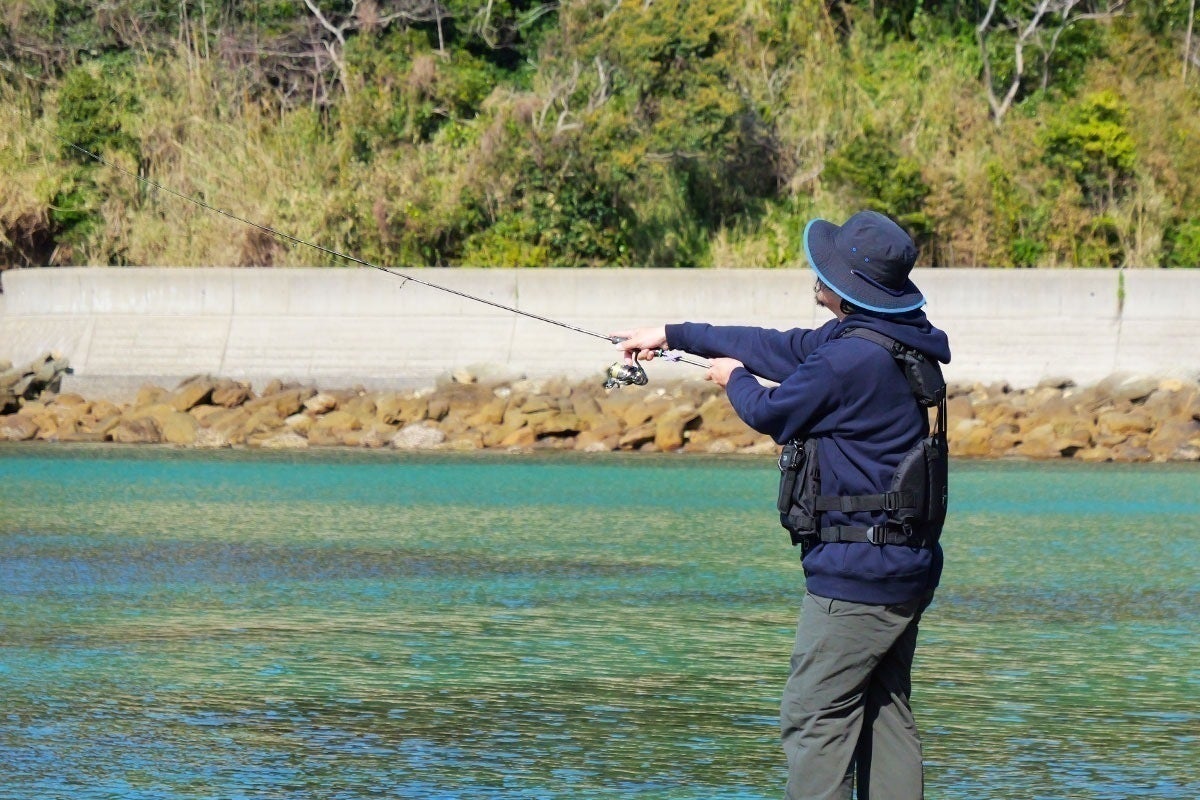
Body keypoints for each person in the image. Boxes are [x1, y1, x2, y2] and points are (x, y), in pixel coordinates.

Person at [614, 210, 951, 800]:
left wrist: (734, 380)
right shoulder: (887, 338)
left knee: (813, 716)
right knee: (883, 710)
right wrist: (671, 334)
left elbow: (772, 412)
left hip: (856, 578)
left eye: (823, 267)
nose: (814, 274)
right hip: (904, 567)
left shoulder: (851, 359)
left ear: (844, 286)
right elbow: (777, 347)